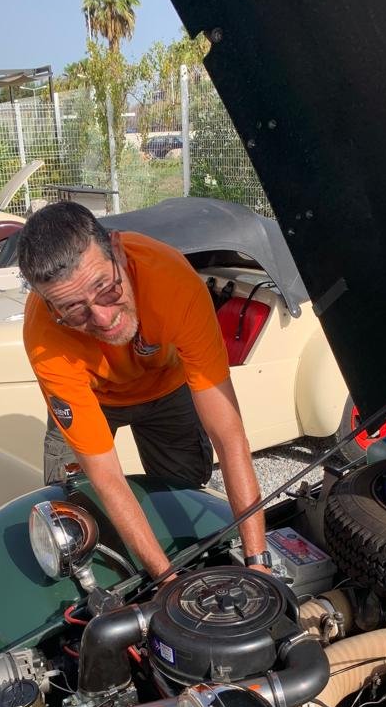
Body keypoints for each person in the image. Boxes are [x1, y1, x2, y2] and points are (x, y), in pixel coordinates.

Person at [18, 201, 270, 579]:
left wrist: (257, 560)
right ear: (53, 308)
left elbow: (228, 436)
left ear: (118, 251)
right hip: (94, 398)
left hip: (166, 388)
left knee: (183, 494)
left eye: (105, 287)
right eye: (74, 309)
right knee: (75, 513)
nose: (102, 317)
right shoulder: (44, 336)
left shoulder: (174, 283)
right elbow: (106, 477)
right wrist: (165, 581)